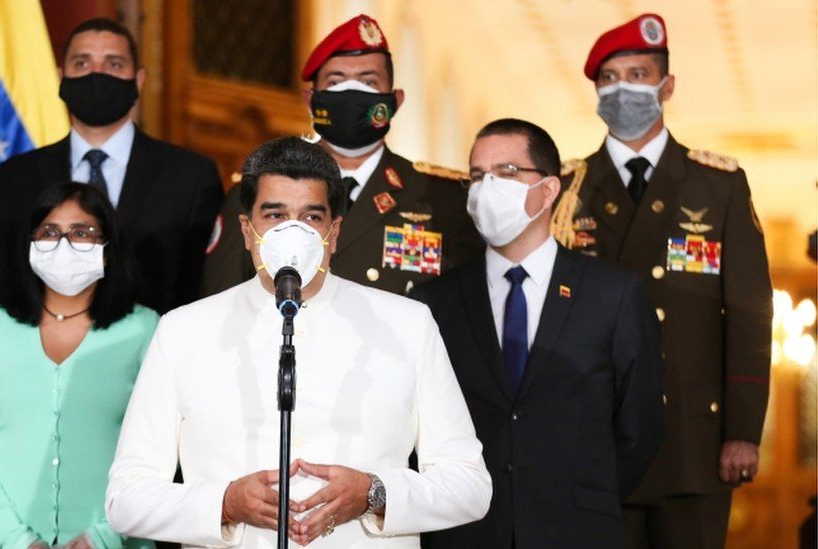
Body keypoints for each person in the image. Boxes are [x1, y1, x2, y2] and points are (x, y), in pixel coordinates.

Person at [105, 137, 492, 548]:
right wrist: (225, 503)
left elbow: (470, 486)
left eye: (311, 216)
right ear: (247, 231)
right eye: (275, 215)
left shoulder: (407, 325)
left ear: (334, 232)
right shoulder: (183, 331)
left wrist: (374, 494)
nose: (294, 230)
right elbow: (126, 498)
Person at [549, 14, 772, 548]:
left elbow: (748, 311)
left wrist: (741, 431)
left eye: (638, 74)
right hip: (592, 437)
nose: (622, 89)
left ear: (666, 86)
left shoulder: (716, 185)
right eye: (609, 78)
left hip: (693, 441)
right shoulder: (565, 188)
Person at [413, 119, 664, 548]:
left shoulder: (613, 293)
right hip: (465, 534)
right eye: (477, 176)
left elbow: (638, 430)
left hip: (577, 529)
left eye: (507, 172)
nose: (487, 187)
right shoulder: (433, 302)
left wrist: (579, 494)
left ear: (549, 190)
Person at [201, 14, 483, 297]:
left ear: (395, 100)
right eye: (336, 82)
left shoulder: (445, 201)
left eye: (368, 82)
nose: (351, 93)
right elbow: (221, 302)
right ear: (311, 100)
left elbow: (463, 310)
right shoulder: (256, 192)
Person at [0, 183, 158, 548]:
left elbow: (160, 451)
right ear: (32, 246)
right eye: (49, 232)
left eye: (81, 232)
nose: (63, 243)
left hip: (115, 540)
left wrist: (102, 536)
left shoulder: (145, 329)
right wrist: (16, 539)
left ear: (107, 251)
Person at [0, 17, 223, 315]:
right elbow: (0, 285)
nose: (97, 75)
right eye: (82, 64)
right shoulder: (18, 176)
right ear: (61, 77)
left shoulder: (191, 176)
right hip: (43, 353)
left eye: (113, 64)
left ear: (138, 80)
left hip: (155, 353)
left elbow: (204, 288)